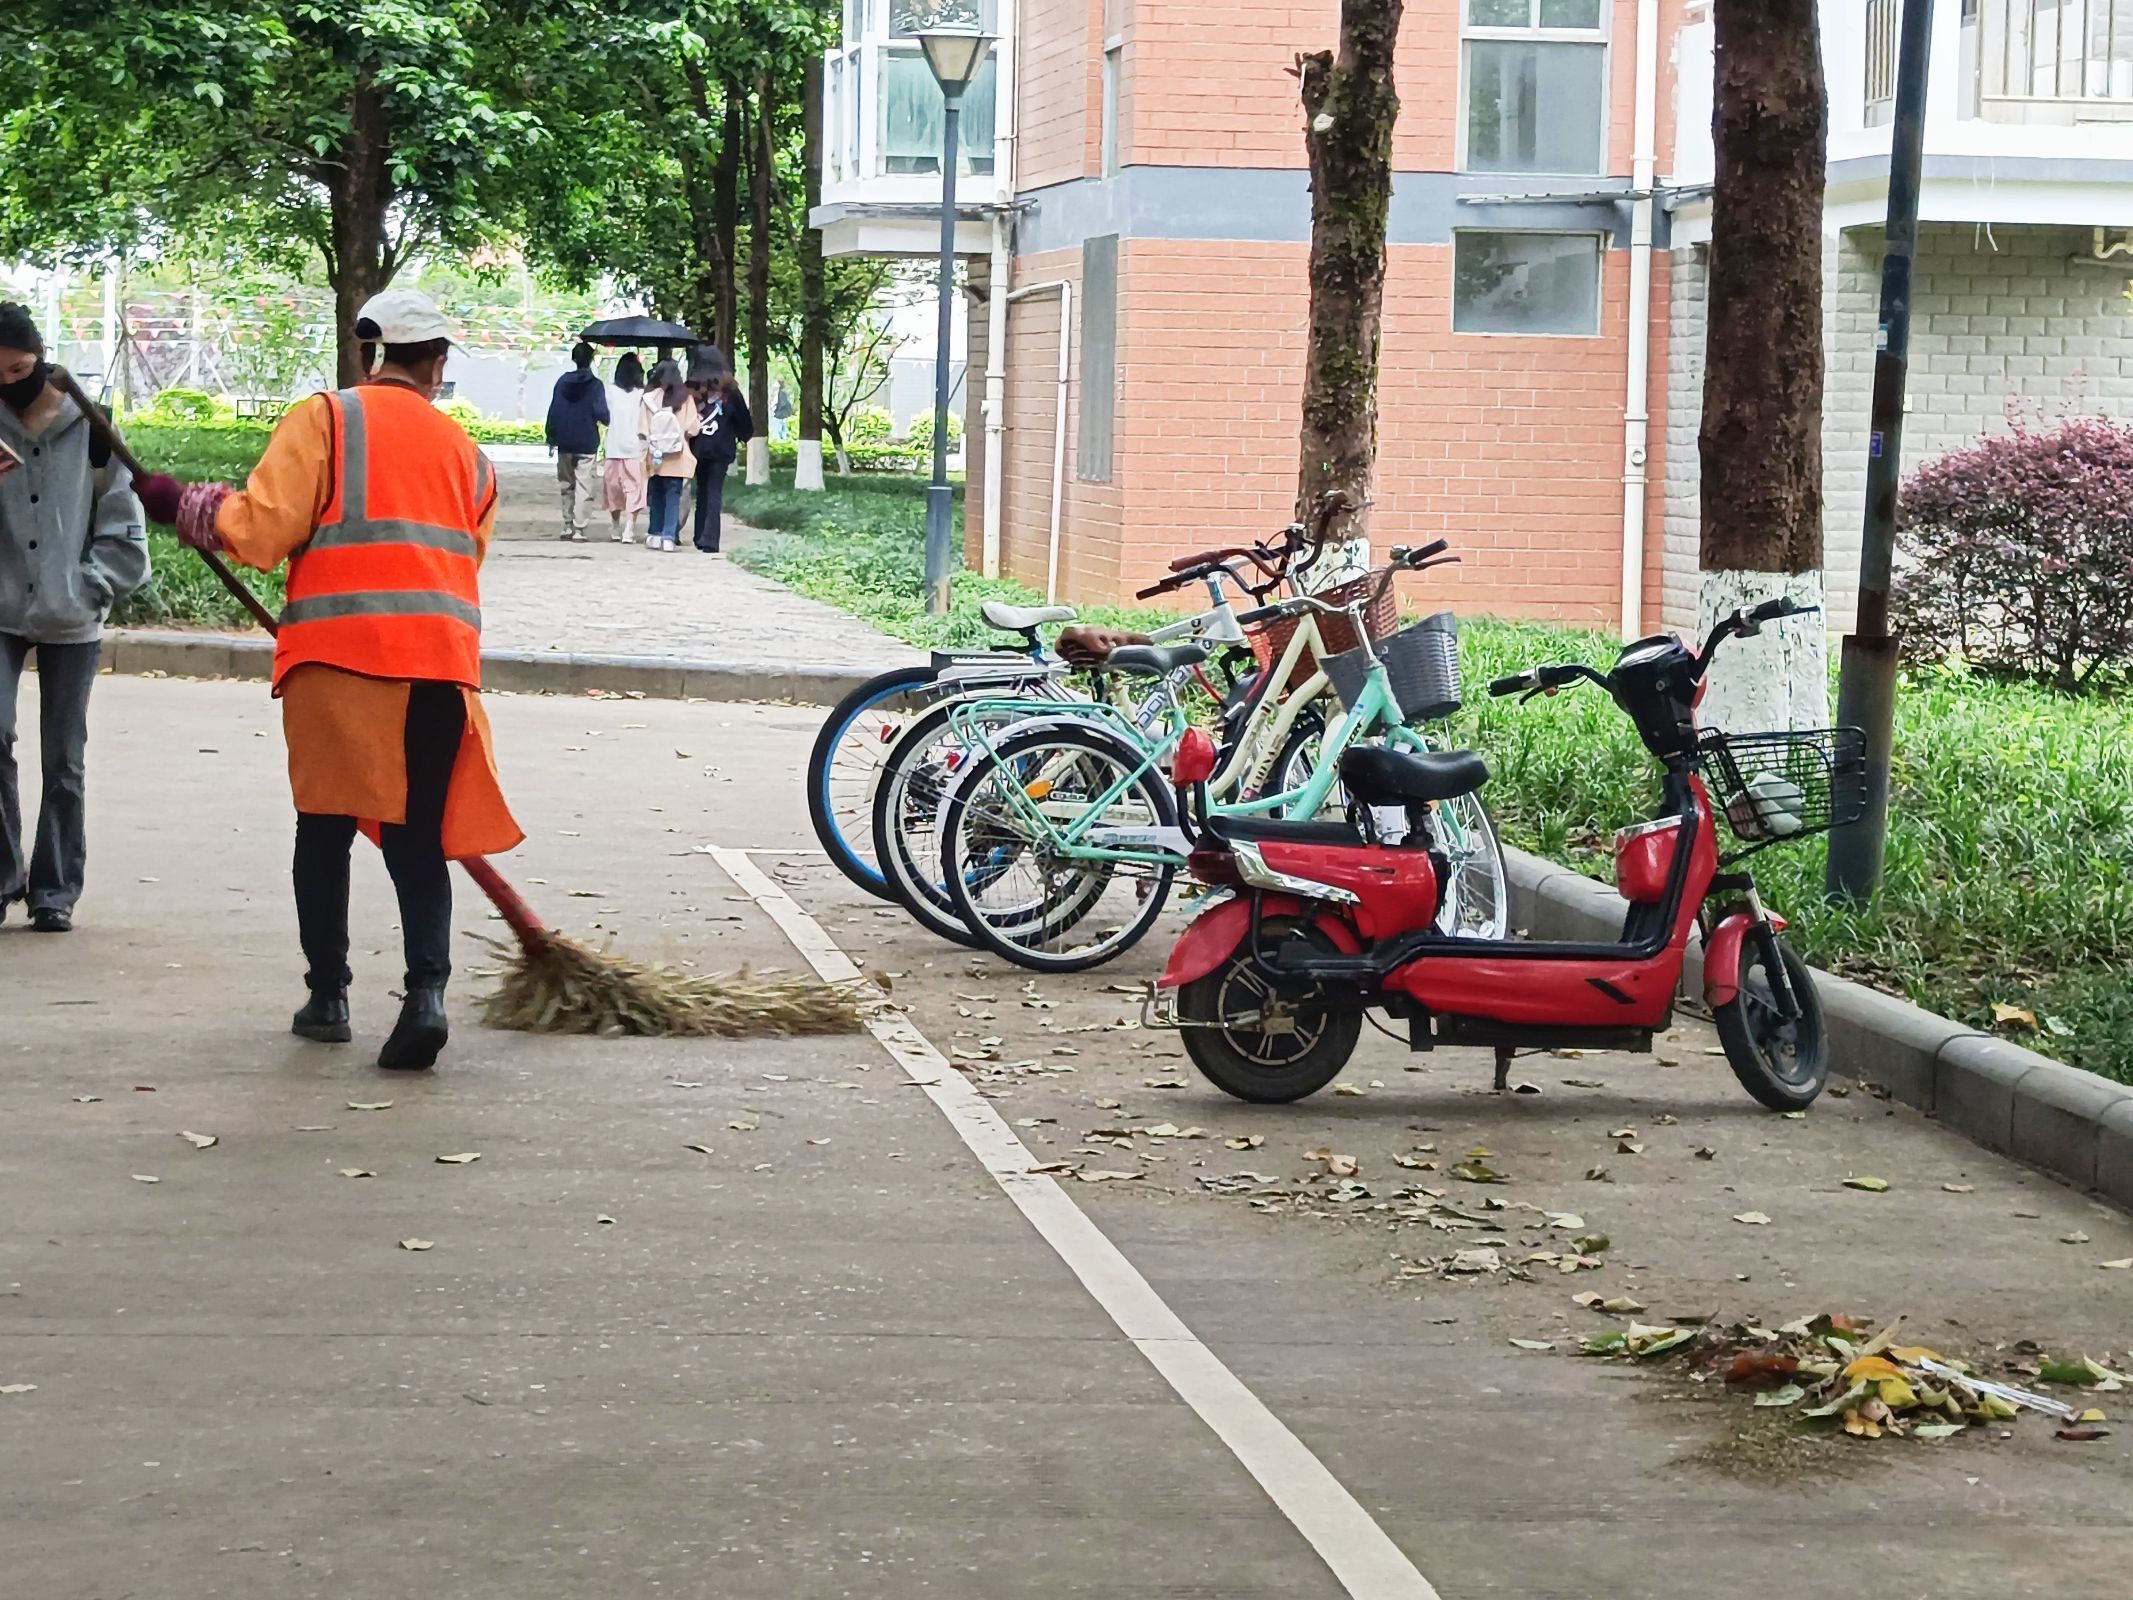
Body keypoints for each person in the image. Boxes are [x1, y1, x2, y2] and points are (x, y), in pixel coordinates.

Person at [143, 289, 523, 1072]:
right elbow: (462, 564)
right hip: (441, 672)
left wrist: (177, 503)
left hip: (340, 666)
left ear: (366, 354)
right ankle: (426, 995)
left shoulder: (326, 419)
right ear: (438, 363)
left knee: (324, 831)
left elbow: (259, 529)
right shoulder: (469, 456)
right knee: (416, 837)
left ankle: (329, 999)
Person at [0, 302, 150, 933]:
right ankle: (3, 877)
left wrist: (94, 586)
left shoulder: (90, 427)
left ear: (40, 358)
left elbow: (124, 520)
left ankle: (55, 890)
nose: (12, 383)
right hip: (2, 608)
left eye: (20, 368)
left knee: (63, 757)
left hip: (73, 613)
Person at [545, 340, 608, 542]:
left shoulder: (562, 382)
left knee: (566, 484)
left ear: (573, 359)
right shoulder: (596, 385)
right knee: (585, 486)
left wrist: (551, 436)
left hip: (565, 440)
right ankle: (580, 529)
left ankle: (567, 525)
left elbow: (554, 410)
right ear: (590, 359)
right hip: (587, 441)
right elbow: (602, 413)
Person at [688, 357, 752, 555]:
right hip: (722, 448)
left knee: (702, 491)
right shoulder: (731, 393)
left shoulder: (694, 389)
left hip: (698, 447)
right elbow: (744, 423)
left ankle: (699, 535)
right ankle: (710, 539)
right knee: (714, 491)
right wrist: (743, 435)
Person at [641, 359, 699, 553]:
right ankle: (669, 537)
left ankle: (654, 533)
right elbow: (693, 428)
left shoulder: (649, 398)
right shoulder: (685, 399)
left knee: (656, 494)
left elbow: (642, 429)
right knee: (673, 496)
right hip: (677, 455)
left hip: (655, 455)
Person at [602, 351, 647, 543]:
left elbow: (604, 417)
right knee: (634, 488)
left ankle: (617, 525)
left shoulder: (609, 392)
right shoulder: (643, 395)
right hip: (636, 448)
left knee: (614, 488)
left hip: (614, 446)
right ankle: (629, 527)